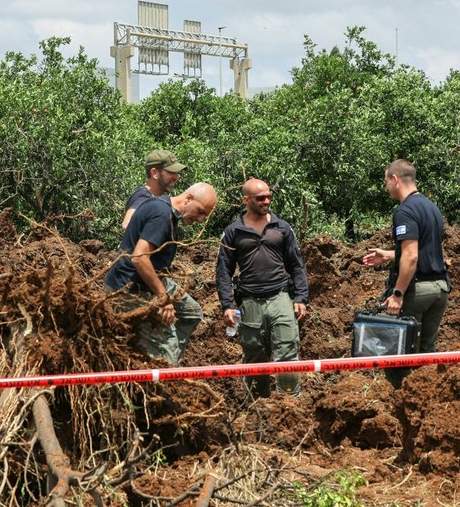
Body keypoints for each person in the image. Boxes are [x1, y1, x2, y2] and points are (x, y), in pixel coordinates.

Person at [105, 182, 217, 366]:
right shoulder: (162, 216)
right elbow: (139, 258)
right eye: (201, 211)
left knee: (191, 313)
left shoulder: (165, 208)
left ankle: (150, 357)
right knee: (169, 352)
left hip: (147, 280)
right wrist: (163, 297)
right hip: (129, 288)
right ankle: (160, 366)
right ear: (188, 198)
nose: (201, 219)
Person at [215, 178, 309, 398]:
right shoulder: (233, 232)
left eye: (269, 196)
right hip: (250, 302)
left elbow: (296, 265)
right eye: (260, 198)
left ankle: (289, 403)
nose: (266, 201)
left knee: (287, 351)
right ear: (246, 200)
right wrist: (227, 305)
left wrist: (301, 298)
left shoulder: (282, 228)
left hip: (280, 297)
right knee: (255, 356)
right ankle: (259, 407)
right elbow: (223, 271)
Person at [362, 159, 450, 388]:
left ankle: (399, 407)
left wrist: (398, 294)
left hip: (416, 291)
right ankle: (428, 405)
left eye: (386, 182)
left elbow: (412, 257)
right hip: (439, 289)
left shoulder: (405, 211)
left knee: (400, 355)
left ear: (395, 179)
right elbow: (424, 250)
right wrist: (390, 256)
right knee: (426, 354)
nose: (386, 188)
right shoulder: (431, 207)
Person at [121, 150, 186, 230]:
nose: (176, 177)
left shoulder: (153, 197)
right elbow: (127, 224)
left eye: (177, 172)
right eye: (171, 172)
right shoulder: (144, 196)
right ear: (154, 173)